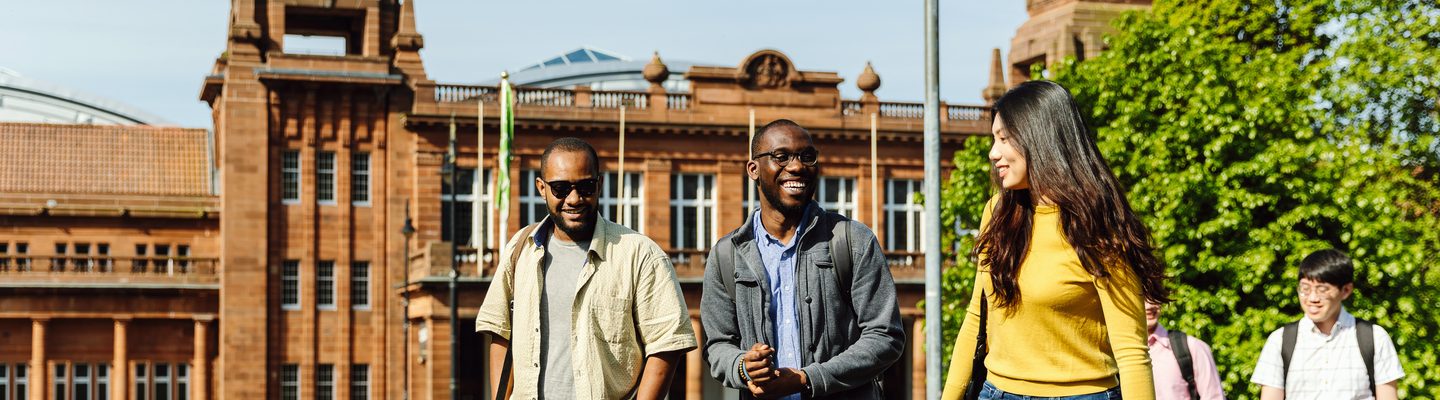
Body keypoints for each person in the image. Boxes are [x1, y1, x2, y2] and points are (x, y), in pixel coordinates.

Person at [941, 80, 1169, 400]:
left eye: (1004, 139)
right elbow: (977, 317)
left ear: (1039, 137)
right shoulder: (998, 212)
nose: (994, 153)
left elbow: (1132, 353)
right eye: (994, 139)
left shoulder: (1099, 226)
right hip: (996, 392)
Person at [475, 137, 696, 400]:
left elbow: (666, 346)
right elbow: (501, 332)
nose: (574, 199)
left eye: (586, 187)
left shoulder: (639, 254)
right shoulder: (520, 248)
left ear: (599, 184)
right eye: (560, 188)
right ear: (541, 188)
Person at [701, 119, 905, 399]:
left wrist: (806, 379)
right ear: (754, 169)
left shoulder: (852, 241)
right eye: (781, 157)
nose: (796, 166)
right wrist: (743, 366)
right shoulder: (727, 254)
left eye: (807, 157)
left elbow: (885, 337)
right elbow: (717, 345)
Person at [1251, 249, 1404, 400]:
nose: (1312, 298)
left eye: (1322, 289)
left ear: (1346, 290)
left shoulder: (1374, 338)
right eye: (1305, 289)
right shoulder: (1280, 340)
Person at [1146, 301, 1224, 400]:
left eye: (1154, 297)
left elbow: (1214, 397)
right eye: (1142, 297)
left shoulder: (1192, 346)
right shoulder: (1120, 352)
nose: (1150, 306)